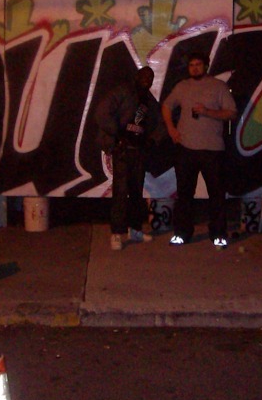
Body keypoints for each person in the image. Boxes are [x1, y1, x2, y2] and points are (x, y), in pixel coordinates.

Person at [162, 52, 237, 248]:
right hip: (186, 149)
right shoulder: (182, 86)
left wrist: (207, 112)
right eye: (191, 65)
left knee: (217, 194)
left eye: (198, 64)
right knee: (184, 193)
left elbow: (231, 113)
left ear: (206, 66)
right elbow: (167, 106)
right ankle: (182, 233)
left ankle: (218, 234)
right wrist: (171, 128)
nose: (195, 68)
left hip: (212, 149)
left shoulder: (218, 86)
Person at [95, 66, 163, 251]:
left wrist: (152, 140)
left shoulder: (149, 100)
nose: (147, 79)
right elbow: (101, 112)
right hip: (122, 150)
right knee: (120, 191)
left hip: (138, 151)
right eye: (144, 76)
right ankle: (117, 233)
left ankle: (135, 229)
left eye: (150, 77)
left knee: (136, 192)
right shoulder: (123, 92)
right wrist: (117, 135)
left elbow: (160, 123)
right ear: (136, 76)